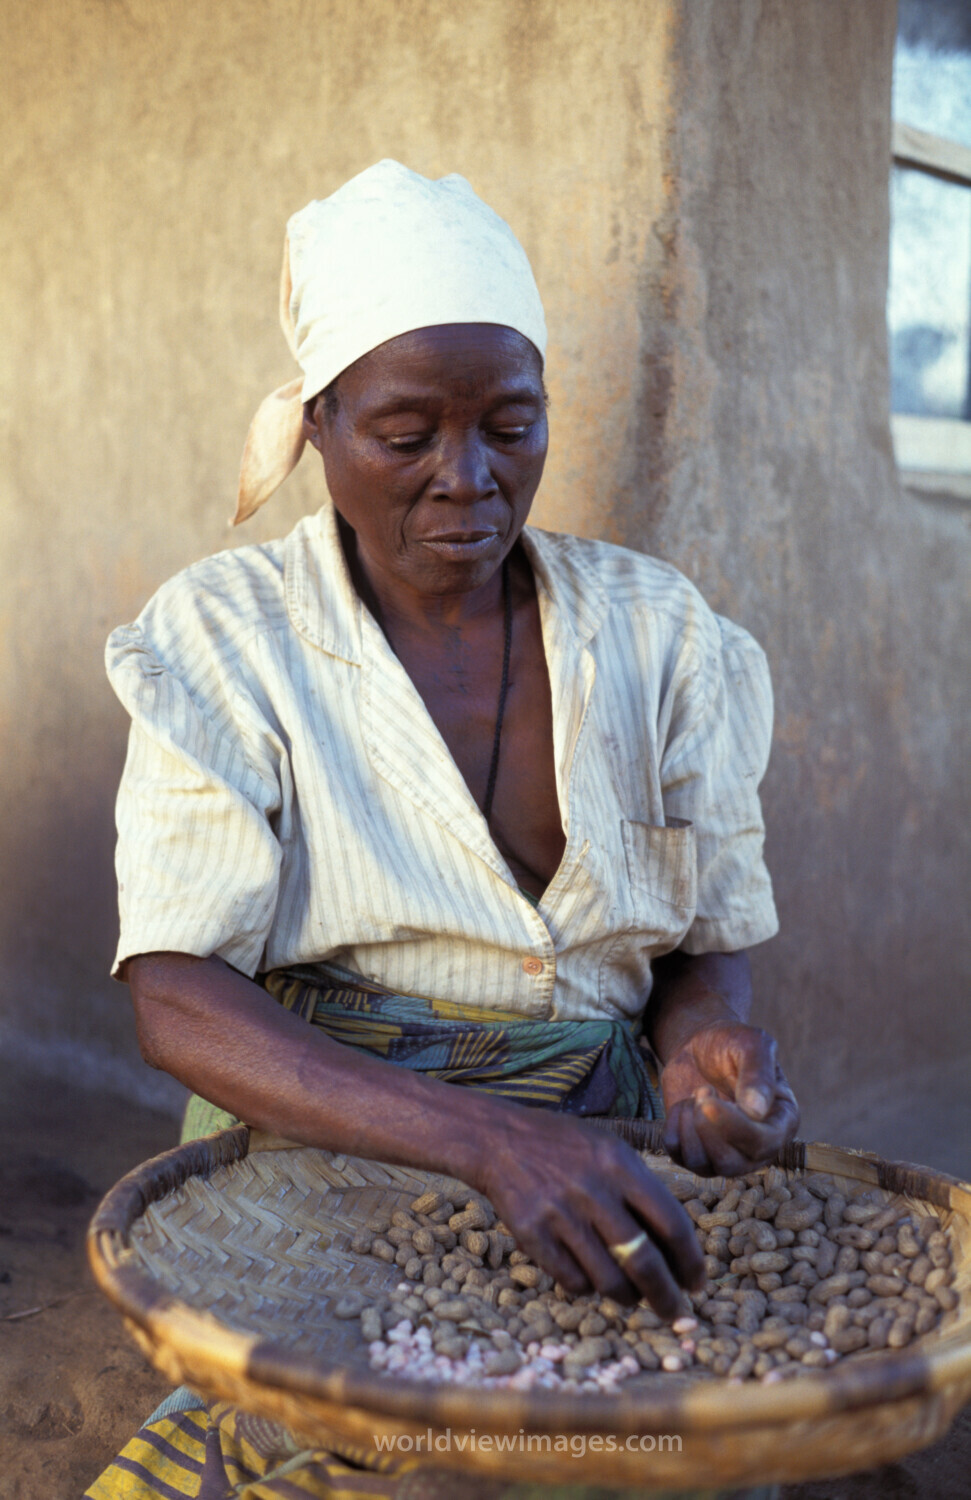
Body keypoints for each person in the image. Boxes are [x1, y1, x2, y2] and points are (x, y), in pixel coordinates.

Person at [87, 161, 798, 1500]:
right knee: (391, 1444)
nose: (471, 480)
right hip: (327, 1148)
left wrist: (707, 1054)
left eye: (510, 428)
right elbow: (177, 998)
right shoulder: (227, 640)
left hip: (607, 1153)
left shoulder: (663, 637)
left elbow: (705, 948)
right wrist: (484, 1140)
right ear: (319, 425)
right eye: (407, 438)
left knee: (647, 1435)